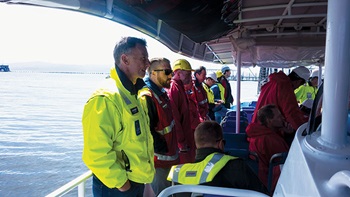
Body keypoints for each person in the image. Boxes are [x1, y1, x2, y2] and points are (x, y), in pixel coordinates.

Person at [82, 37, 154, 197]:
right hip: (116, 187)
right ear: (125, 59)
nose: (148, 64)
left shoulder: (136, 92)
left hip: (136, 181)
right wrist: (122, 185)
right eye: (143, 58)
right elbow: (95, 153)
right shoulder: (105, 98)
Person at [167, 120, 268, 195]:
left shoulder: (177, 174)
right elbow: (261, 193)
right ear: (220, 144)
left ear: (196, 145)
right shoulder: (236, 167)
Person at [138, 58, 180, 196]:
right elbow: (146, 132)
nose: (171, 76)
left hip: (168, 158)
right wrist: (162, 148)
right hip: (158, 162)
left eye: (171, 72)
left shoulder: (161, 93)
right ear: (153, 73)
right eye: (167, 72)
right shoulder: (147, 97)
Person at [249, 66, 310, 144]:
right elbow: (291, 112)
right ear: (298, 82)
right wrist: (303, 130)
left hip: (258, 129)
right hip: (268, 134)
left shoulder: (270, 83)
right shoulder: (285, 87)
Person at [246, 104, 291, 194]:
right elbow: (287, 162)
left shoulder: (258, 134)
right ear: (269, 120)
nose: (283, 118)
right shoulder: (270, 140)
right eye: (279, 117)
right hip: (270, 183)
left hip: (259, 180)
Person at [167, 59, 195, 163]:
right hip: (183, 145)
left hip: (187, 139)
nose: (190, 76)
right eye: (188, 73)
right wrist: (181, 143)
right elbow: (175, 118)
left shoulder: (179, 88)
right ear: (178, 73)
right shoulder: (174, 89)